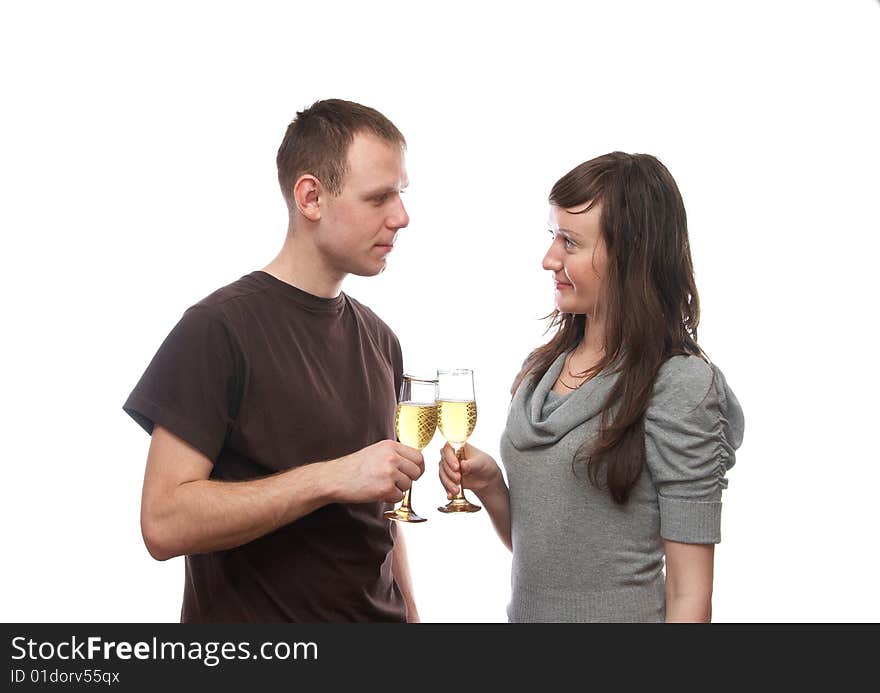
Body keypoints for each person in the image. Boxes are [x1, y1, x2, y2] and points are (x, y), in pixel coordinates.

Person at [123, 99, 424, 623]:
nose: (401, 216)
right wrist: (330, 478)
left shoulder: (381, 339)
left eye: (400, 194)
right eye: (379, 197)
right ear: (311, 197)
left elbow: (383, 517)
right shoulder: (217, 330)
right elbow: (164, 522)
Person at [439, 152, 745, 622]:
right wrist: (492, 486)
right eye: (552, 237)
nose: (549, 259)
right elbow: (548, 555)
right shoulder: (541, 370)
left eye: (570, 242)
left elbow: (689, 594)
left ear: (629, 256)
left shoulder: (681, 386)